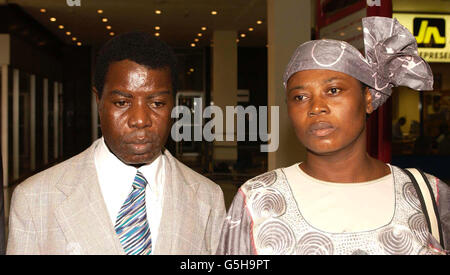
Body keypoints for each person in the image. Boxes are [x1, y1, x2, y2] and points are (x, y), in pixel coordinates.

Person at [216, 17, 449, 255]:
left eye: (333, 90)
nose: (316, 107)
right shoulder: (258, 199)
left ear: (368, 99)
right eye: (300, 97)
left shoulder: (428, 194)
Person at [7, 32, 226, 255]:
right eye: (122, 102)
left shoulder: (208, 198)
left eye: (157, 103)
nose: (140, 119)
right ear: (98, 101)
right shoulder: (35, 199)